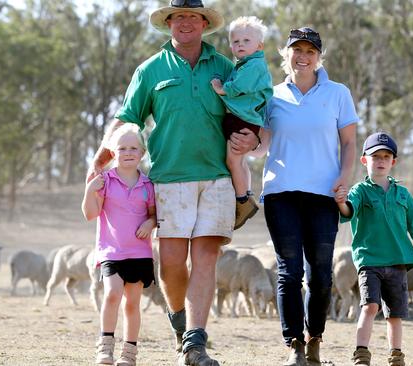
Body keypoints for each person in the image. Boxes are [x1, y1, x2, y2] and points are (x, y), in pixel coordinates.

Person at [86, 1, 259, 365]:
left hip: (216, 179)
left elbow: (253, 109)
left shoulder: (226, 67)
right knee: (172, 264)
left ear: (203, 23)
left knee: (206, 257)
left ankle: (195, 344)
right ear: (168, 23)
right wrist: (98, 161)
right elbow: (126, 120)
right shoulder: (150, 70)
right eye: (178, 16)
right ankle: (180, 325)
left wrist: (254, 141)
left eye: (192, 16)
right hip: (168, 180)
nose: (184, 22)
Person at [251, 27, 358, 366]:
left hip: (324, 196)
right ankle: (294, 344)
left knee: (321, 275)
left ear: (318, 57)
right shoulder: (272, 95)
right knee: (289, 272)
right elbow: (263, 144)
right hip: (281, 193)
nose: (303, 56)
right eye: (296, 50)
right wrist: (243, 146)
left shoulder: (338, 93)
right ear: (287, 55)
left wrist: (344, 178)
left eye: (310, 51)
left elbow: (350, 143)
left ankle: (315, 339)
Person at [333, 132, 413, 366]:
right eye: (375, 156)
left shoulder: (402, 194)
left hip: (397, 261)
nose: (381, 160)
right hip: (369, 259)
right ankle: (361, 354)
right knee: (370, 306)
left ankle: (396, 355)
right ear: (365, 160)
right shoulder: (360, 191)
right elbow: (348, 212)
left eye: (386, 156)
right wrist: (341, 203)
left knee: (395, 314)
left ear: (393, 161)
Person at [82, 123, 156, 366]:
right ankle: (105, 348)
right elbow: (90, 214)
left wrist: (150, 223)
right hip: (111, 251)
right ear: (113, 153)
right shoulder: (105, 181)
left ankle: (129, 354)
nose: (128, 152)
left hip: (139, 252)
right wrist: (89, 192)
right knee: (113, 293)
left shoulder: (148, 185)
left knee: (133, 303)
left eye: (133, 148)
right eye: (122, 148)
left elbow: (154, 214)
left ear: (142, 153)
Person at [210, 15, 273, 230]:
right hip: (241, 117)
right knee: (240, 160)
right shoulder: (245, 64)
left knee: (233, 160)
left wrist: (222, 88)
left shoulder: (254, 66)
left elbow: (240, 86)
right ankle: (246, 193)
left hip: (243, 119)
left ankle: (243, 201)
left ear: (259, 45)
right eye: (236, 41)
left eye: (246, 41)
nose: (240, 45)